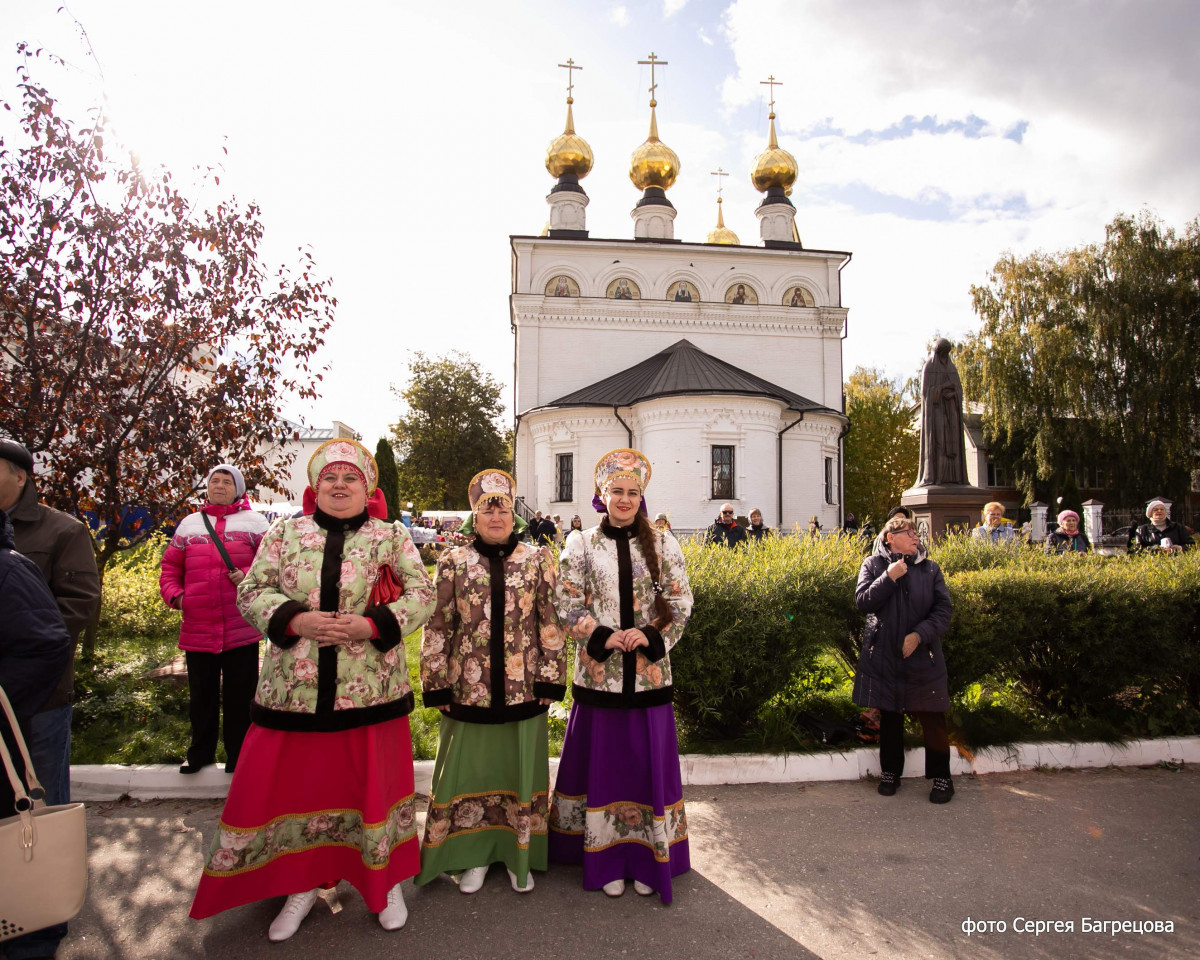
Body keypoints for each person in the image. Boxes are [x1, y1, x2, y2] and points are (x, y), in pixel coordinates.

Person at [190, 438, 436, 940]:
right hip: (293, 691)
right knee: (298, 789)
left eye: (351, 479)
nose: (340, 486)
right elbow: (252, 589)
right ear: (315, 487)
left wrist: (371, 627)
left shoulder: (390, 536)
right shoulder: (285, 533)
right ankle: (301, 884)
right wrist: (297, 620)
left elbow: (423, 592)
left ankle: (383, 882)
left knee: (372, 789)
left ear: (367, 489)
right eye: (331, 478)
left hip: (371, 691)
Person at [549, 448, 693, 902]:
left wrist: (649, 635)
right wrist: (603, 635)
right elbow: (566, 602)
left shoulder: (665, 543)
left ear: (641, 496)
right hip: (600, 678)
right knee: (606, 769)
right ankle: (606, 856)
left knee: (645, 766)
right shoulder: (581, 544)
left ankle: (649, 859)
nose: (625, 499)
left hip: (649, 676)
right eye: (617, 491)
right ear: (602, 495)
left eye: (633, 492)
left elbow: (681, 602)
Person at [416, 469, 566, 895]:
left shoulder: (537, 559)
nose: (496, 515)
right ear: (475, 516)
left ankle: (518, 854)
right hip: (468, 687)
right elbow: (438, 625)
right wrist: (437, 683)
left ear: (513, 516)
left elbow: (550, 623)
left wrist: (550, 681)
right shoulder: (452, 561)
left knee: (517, 770)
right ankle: (472, 856)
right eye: (487, 508)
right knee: (468, 773)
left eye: (502, 507)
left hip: (525, 689)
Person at [0, 438, 99, 960]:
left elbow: (77, 607)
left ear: (20, 475)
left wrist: (17, 662)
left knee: (37, 798)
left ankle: (39, 917)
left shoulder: (61, 529)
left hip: (37, 697)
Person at [159, 464, 268, 775]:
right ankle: (199, 753)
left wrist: (246, 575)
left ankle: (238, 754)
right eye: (214, 481)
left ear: (239, 488)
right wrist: (177, 597)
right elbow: (169, 569)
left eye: (226, 481)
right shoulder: (189, 525)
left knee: (240, 694)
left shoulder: (256, 523)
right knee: (201, 696)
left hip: (240, 626)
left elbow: (273, 565)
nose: (219, 485)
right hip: (198, 626)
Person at [0, 505, 74, 958]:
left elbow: (47, 641)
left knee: (28, 816)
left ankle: (35, 930)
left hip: (28, 712)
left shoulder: (9, 569)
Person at [853, 515, 954, 803]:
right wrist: (889, 577)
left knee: (932, 715)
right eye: (907, 532)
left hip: (923, 655)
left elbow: (943, 610)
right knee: (891, 714)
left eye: (915, 532)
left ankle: (942, 778)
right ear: (890, 538)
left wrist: (919, 635)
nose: (915, 536)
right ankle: (890, 773)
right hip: (885, 655)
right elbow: (863, 602)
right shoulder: (873, 565)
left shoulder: (930, 569)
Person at [916, 339, 968, 486]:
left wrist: (952, 394)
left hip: (952, 411)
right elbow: (926, 393)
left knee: (953, 443)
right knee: (939, 443)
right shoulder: (929, 367)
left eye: (947, 353)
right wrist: (943, 388)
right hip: (937, 412)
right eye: (942, 353)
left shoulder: (952, 369)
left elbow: (959, 390)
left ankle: (956, 477)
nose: (944, 357)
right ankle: (937, 477)